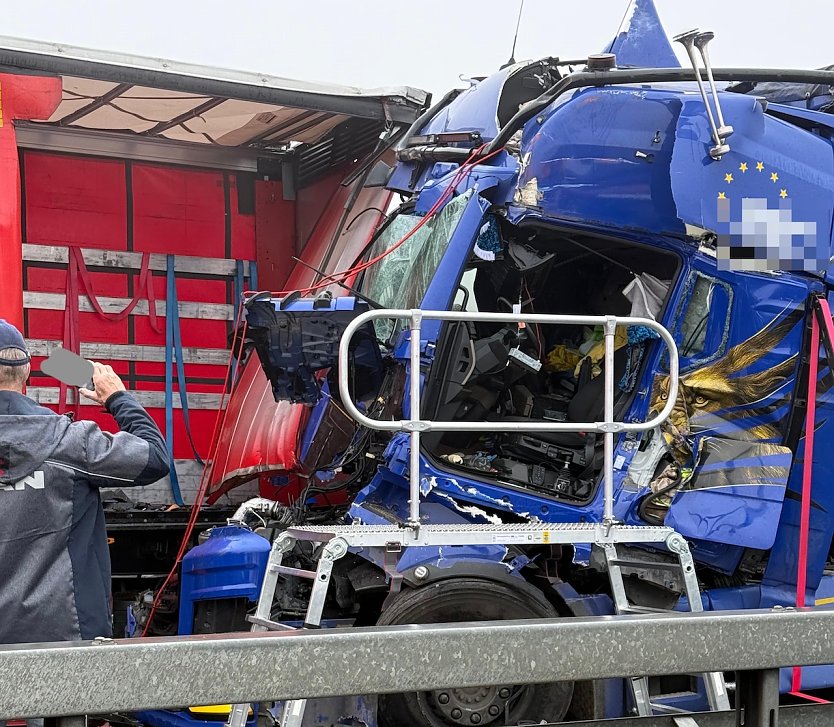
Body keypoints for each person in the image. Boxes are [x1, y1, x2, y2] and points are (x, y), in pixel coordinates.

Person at [0, 318, 169, 646]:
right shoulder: (69, 442)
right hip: (69, 643)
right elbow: (154, 457)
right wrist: (116, 397)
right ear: (27, 374)